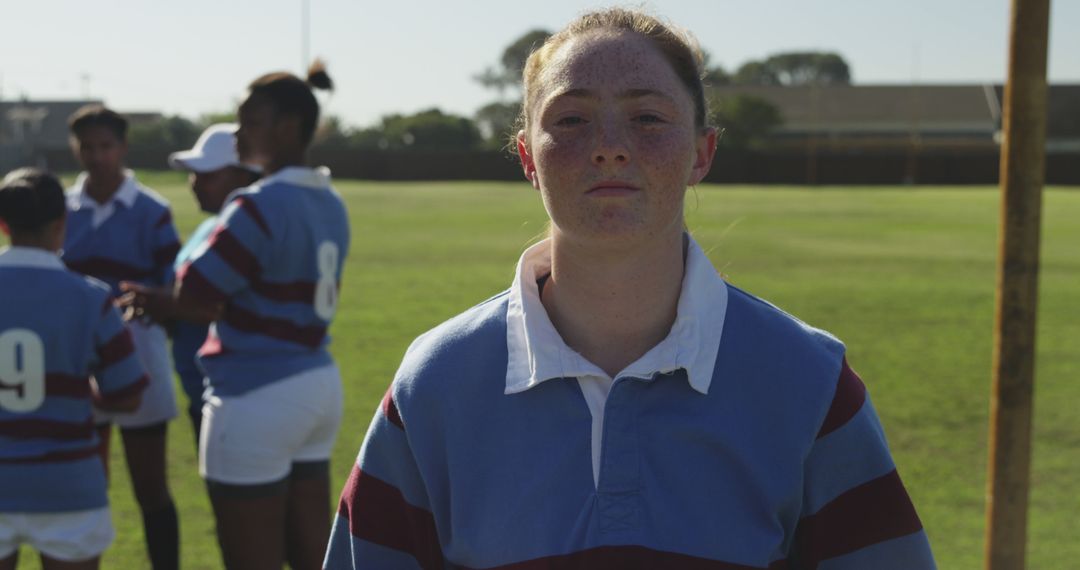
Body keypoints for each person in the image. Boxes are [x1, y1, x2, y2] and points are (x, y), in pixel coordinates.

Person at [325, 8, 936, 570]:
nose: (611, 148)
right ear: (528, 159)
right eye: (571, 119)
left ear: (702, 153)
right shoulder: (436, 383)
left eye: (647, 117)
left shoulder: (809, 380)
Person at [172, 61, 349, 570]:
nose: (238, 132)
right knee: (311, 553)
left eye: (249, 120)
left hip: (254, 391)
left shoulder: (256, 202)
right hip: (317, 382)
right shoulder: (331, 200)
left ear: (287, 127)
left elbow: (194, 291)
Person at [0, 168, 148, 570]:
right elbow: (129, 395)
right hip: (68, 480)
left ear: (3, 224)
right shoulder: (91, 297)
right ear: (62, 224)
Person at [61, 105, 179, 570]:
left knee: (151, 488)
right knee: (88, 489)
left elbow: (174, 289)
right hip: (77, 359)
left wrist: (154, 297)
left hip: (139, 355)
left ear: (123, 148)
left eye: (105, 146)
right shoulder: (64, 209)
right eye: (86, 147)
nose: (96, 157)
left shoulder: (151, 210)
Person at [119, 124, 261, 444]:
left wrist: (163, 303)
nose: (195, 184)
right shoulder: (211, 227)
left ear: (243, 175)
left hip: (237, 398)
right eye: (193, 174)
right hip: (204, 392)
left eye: (208, 174)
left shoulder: (248, 235)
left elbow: (223, 308)